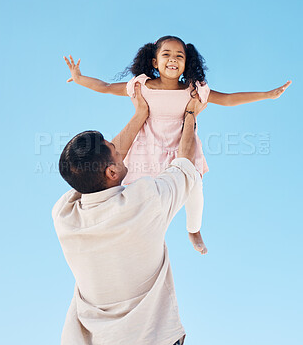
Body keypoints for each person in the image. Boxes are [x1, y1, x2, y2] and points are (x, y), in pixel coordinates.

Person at [64, 35, 292, 254]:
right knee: (139, 192)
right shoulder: (141, 86)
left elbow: (229, 99)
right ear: (155, 61)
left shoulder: (193, 89)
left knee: (195, 190)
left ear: (186, 62)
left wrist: (267, 94)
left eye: (179, 56)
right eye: (166, 54)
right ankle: (138, 232)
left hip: (180, 146)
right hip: (148, 147)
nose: (173, 59)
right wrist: (79, 78)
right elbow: (105, 87)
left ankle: (194, 230)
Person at [53, 85, 207, 344]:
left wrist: (140, 114)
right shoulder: (146, 202)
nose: (118, 148)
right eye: (113, 147)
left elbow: (99, 171)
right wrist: (191, 114)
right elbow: (184, 162)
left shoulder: (64, 216)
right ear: (111, 172)